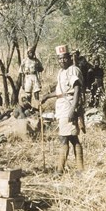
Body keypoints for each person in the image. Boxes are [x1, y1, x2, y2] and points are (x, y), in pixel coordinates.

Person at [41, 45, 84, 176]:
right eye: (59, 59)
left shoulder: (73, 70)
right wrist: (47, 96)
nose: (62, 61)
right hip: (62, 107)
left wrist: (73, 109)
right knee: (72, 138)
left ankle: (60, 170)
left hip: (69, 106)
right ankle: (79, 170)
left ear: (69, 58)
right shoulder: (61, 72)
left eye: (64, 58)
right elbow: (61, 91)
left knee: (65, 138)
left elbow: (76, 90)